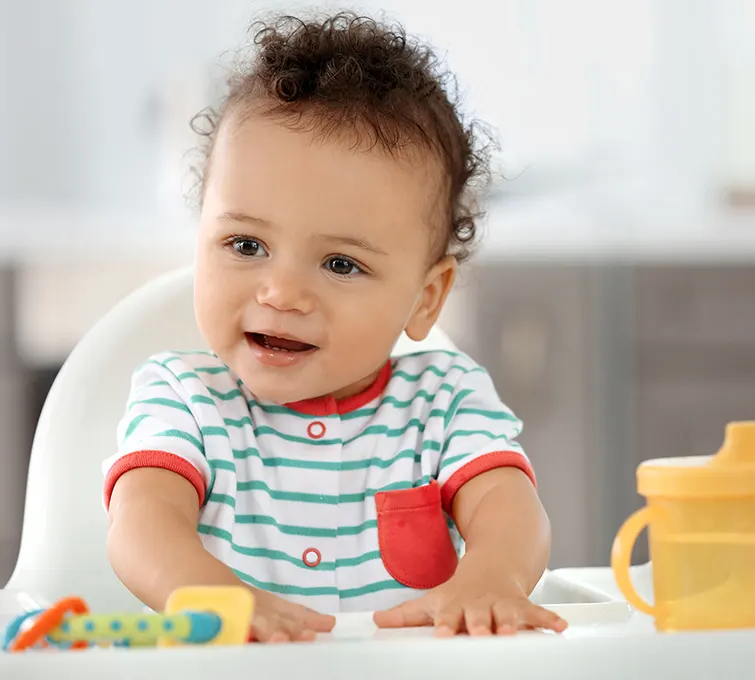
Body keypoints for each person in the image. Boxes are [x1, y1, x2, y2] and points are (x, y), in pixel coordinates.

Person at [102, 11, 565, 643]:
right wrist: (211, 593)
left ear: (427, 298)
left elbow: (508, 506)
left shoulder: (444, 399)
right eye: (244, 244)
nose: (283, 292)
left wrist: (493, 578)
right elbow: (141, 520)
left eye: (340, 263)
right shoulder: (184, 397)